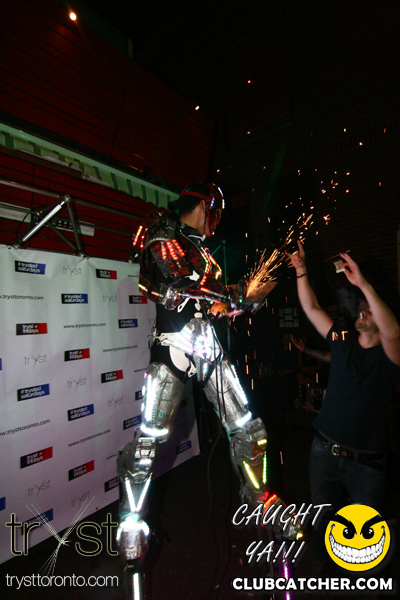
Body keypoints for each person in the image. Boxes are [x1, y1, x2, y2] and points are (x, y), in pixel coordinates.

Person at [117, 183, 299, 587]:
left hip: (205, 344)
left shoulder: (200, 250)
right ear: (202, 206)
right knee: (148, 441)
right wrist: (231, 296)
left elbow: (208, 303)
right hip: (173, 346)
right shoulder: (164, 233)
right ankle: (131, 524)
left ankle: (261, 501)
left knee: (248, 429)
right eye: (212, 211)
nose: (215, 219)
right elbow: (180, 283)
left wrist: (240, 302)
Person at [288, 241, 400, 564]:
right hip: (324, 451)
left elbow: (393, 332)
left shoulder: (390, 355)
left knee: (365, 534)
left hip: (366, 464)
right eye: (360, 307)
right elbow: (312, 308)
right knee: (321, 522)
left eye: (369, 309)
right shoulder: (342, 339)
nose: (362, 311)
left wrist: (364, 284)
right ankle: (323, 569)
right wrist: (301, 271)